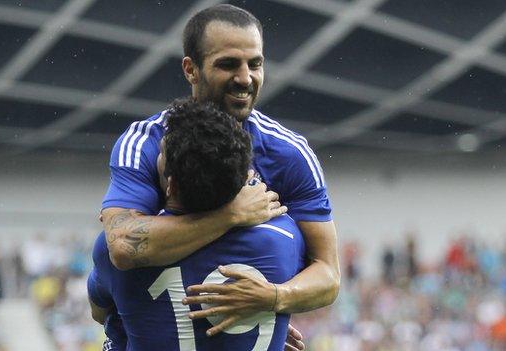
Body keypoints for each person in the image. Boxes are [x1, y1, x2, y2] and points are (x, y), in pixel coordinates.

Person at [100, 3, 340, 336]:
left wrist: (273, 300)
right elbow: (123, 246)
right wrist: (231, 214)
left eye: (254, 64)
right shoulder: (145, 143)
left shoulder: (290, 154)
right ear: (190, 69)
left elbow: (328, 275)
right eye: (228, 64)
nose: (245, 78)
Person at [89, 99, 306, 350]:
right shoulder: (284, 237)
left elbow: (99, 312)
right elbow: (324, 279)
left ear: (171, 185)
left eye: (160, 153)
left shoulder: (115, 249)